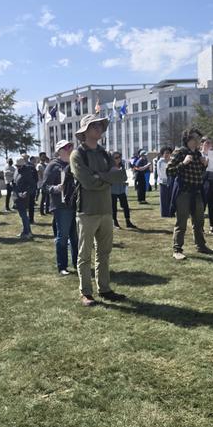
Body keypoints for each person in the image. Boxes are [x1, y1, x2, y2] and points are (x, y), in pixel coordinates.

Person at [70, 114, 127, 307]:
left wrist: (100, 176)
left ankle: (105, 289)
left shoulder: (105, 154)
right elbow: (87, 182)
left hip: (105, 210)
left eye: (100, 125)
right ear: (84, 131)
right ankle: (85, 292)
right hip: (87, 211)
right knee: (84, 255)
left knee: (104, 253)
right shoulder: (77, 154)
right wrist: (107, 178)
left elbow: (121, 176)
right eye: (94, 126)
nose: (99, 129)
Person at [166, 127, 213, 260]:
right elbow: (169, 171)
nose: (197, 141)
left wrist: (204, 166)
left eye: (198, 139)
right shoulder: (180, 152)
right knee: (181, 222)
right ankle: (177, 249)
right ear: (187, 139)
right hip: (183, 192)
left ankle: (201, 246)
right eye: (195, 139)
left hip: (197, 192)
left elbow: (199, 174)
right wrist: (183, 163)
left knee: (199, 221)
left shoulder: (198, 155)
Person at [42, 140, 78, 274]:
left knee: (75, 237)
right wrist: (56, 188)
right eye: (67, 147)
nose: (70, 149)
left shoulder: (74, 163)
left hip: (75, 204)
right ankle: (62, 266)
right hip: (61, 206)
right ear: (59, 150)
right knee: (62, 236)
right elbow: (44, 186)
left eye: (71, 146)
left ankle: (77, 263)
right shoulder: (53, 166)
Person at [110, 152, 136, 229]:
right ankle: (115, 222)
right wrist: (118, 175)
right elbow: (110, 178)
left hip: (121, 189)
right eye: (116, 158)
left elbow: (125, 178)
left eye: (119, 157)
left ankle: (128, 221)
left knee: (125, 206)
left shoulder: (122, 166)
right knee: (113, 207)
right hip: (113, 190)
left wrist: (120, 175)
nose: (118, 159)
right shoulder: (110, 167)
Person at [201, 137, 213, 234]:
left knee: (212, 205)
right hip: (205, 182)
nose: (209, 145)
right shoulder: (200, 155)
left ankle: (212, 226)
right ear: (202, 145)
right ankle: (200, 227)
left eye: (210, 143)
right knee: (203, 205)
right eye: (207, 143)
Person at [12, 157, 35, 239]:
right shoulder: (16, 171)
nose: (17, 167)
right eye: (16, 166)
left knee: (24, 215)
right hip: (17, 196)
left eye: (19, 166)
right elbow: (14, 182)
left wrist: (26, 192)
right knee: (23, 215)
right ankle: (27, 231)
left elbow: (32, 185)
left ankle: (27, 232)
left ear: (22, 165)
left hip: (23, 197)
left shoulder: (27, 172)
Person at [156, 146, 172, 218]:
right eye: (165, 153)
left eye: (168, 153)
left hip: (171, 181)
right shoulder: (160, 162)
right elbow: (160, 173)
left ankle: (170, 212)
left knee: (170, 198)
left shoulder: (172, 160)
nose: (167, 154)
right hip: (163, 182)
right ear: (162, 154)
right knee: (163, 199)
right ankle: (164, 214)